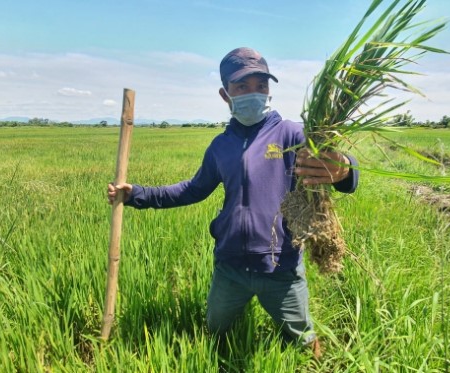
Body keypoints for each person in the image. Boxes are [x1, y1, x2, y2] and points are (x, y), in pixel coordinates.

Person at [107, 47, 359, 358]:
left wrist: (344, 168)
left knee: (303, 340)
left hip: (281, 267)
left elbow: (342, 170)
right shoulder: (220, 146)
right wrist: (136, 195)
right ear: (226, 94)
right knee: (215, 334)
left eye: (262, 86)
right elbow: (192, 190)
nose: (255, 93)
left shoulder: (292, 134)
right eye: (242, 87)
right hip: (230, 267)